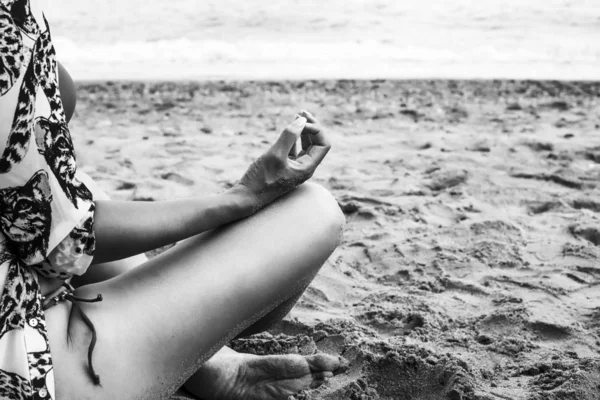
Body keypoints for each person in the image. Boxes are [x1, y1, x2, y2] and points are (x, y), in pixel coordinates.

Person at [0, 1, 348, 399]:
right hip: (35, 369)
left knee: (77, 185)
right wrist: (242, 198)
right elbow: (60, 245)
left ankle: (212, 367)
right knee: (310, 212)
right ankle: (200, 361)